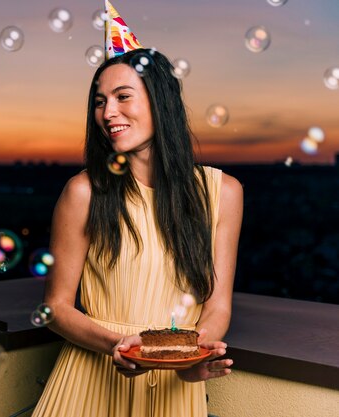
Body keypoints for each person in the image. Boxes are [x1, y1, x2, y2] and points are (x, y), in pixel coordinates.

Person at [32, 47, 243, 417]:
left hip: (174, 395)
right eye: (100, 102)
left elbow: (218, 305)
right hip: (88, 384)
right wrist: (120, 345)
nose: (107, 113)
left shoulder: (224, 193)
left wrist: (193, 359)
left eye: (122, 97)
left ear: (160, 100)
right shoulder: (84, 192)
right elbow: (55, 308)